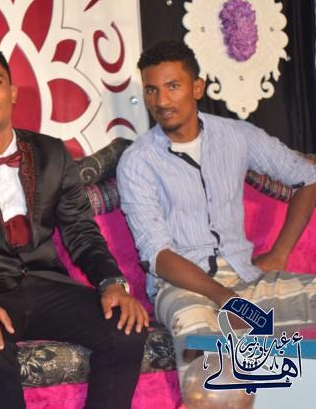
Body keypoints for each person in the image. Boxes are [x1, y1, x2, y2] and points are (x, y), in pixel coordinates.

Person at [0, 45, 148, 409]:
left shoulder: (52, 153)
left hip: (48, 284)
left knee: (126, 327)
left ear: (12, 92)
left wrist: (111, 282)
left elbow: (81, 231)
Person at [116, 40, 316, 391]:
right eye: (151, 90)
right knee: (209, 376)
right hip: (181, 289)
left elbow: (307, 178)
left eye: (173, 86)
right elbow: (158, 255)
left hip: (246, 277)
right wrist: (226, 299)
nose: (161, 101)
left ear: (197, 88)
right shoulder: (138, 161)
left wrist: (280, 253)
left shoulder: (237, 136)